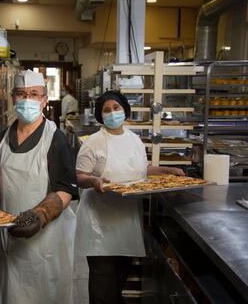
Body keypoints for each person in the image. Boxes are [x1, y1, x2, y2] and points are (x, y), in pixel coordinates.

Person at [0, 70, 78, 304]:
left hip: (44, 237)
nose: (27, 99)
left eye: (34, 94)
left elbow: (66, 190)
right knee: (9, 290)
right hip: (7, 230)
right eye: (21, 94)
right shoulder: (4, 136)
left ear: (44, 100)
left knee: (40, 290)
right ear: (13, 98)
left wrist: (42, 214)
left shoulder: (54, 139)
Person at [74, 90, 185, 304]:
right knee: (103, 282)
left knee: (120, 277)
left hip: (127, 220)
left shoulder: (135, 140)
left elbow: (142, 170)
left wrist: (165, 171)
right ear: (100, 115)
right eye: (107, 110)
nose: (112, 113)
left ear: (125, 110)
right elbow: (79, 176)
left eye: (116, 108)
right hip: (100, 224)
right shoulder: (94, 142)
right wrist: (93, 181)